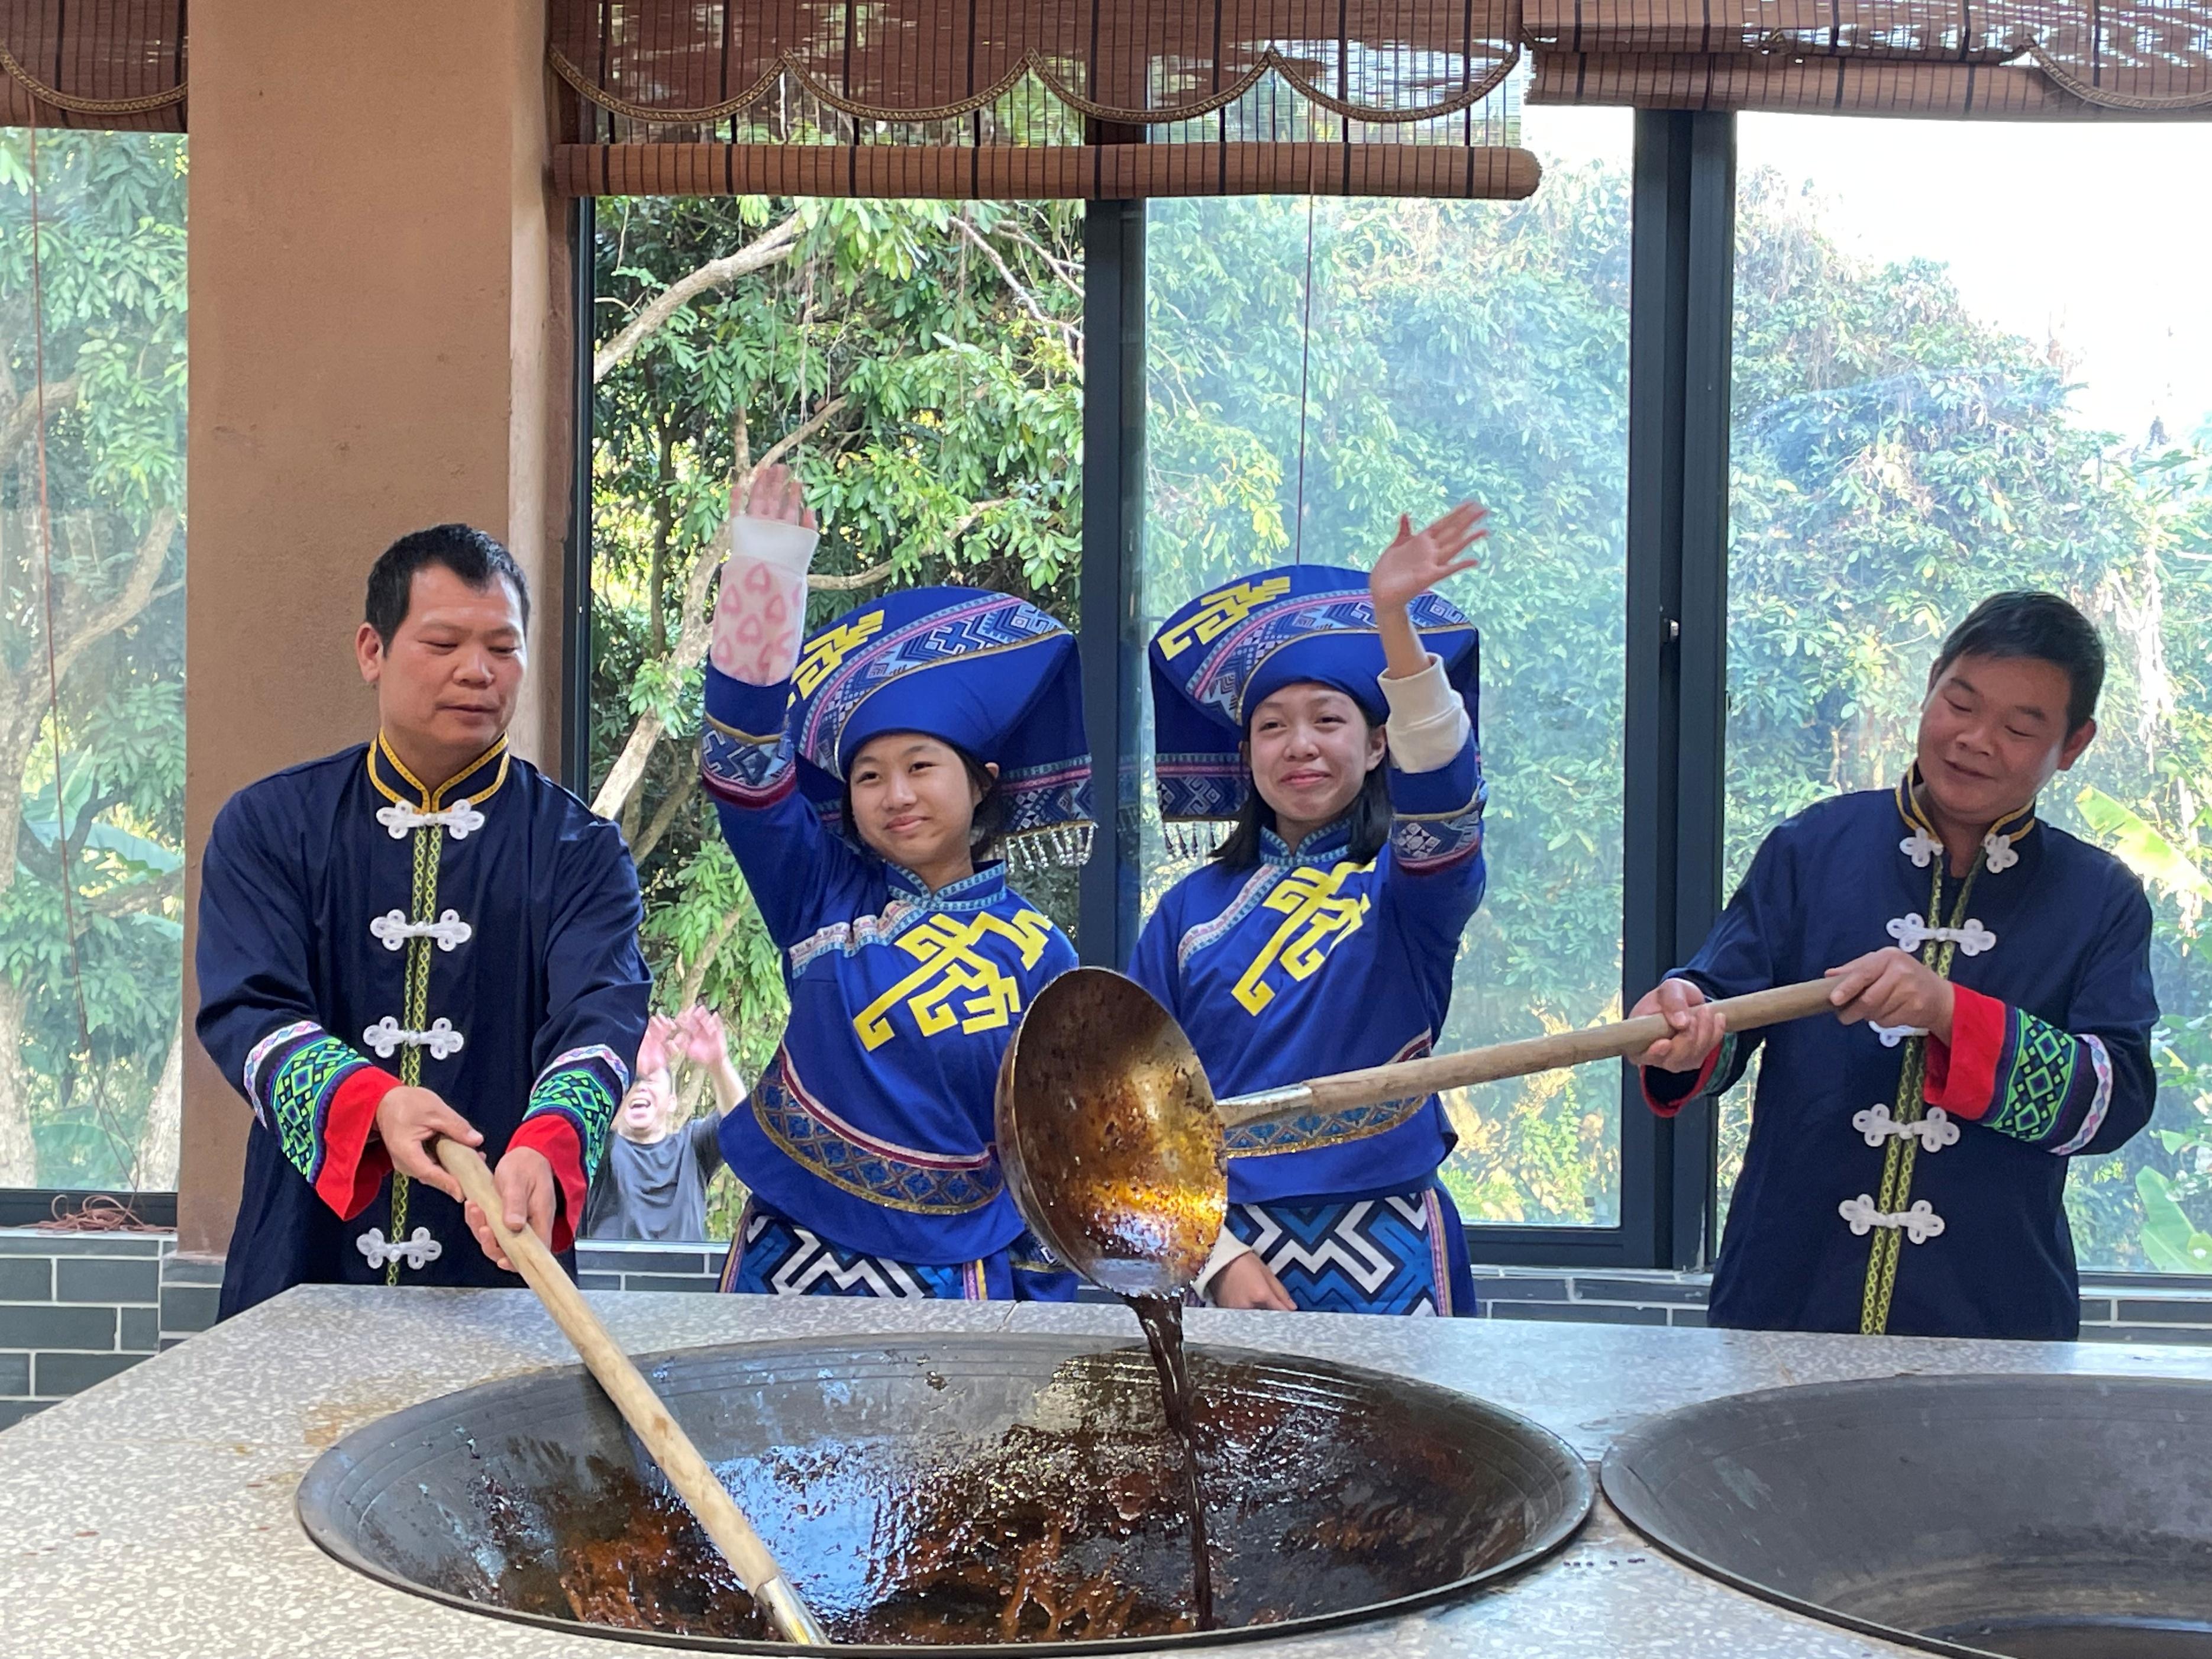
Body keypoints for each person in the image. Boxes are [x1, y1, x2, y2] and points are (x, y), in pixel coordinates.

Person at [1632, 591, 2156, 1341]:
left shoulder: (2099, 898)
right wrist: (1685, 1020)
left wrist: (1951, 1012)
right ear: (1932, 683)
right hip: (1787, 1295)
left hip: (1993, 1314)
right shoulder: (1811, 848)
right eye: (1960, 702)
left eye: (2017, 726)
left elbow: (2113, 1101)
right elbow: (1720, 1012)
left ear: (2072, 745)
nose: (1975, 739)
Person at [197, 525, 651, 1318]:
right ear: (373, 650)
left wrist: (549, 1142)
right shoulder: (269, 826)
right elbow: (249, 1011)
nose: (476, 672)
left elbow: (600, 1020)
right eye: (442, 642)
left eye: (502, 649)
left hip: (501, 1263)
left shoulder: (579, 850)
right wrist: (369, 1103)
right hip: (301, 1263)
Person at [699, 463, 1089, 1300]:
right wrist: (764, 572)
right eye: (868, 776)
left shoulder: (1040, 953)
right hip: (791, 1257)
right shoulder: (816, 891)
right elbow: (742, 774)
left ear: (981, 780)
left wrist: (1043, 1318)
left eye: (920, 767)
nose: (896, 795)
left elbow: (1055, 1153)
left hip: (957, 1275)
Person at [1132, 505, 1490, 1315]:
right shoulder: (1188, 911)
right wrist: (1217, 1258)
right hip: (1222, 1250)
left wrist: (1392, 622)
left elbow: (1442, 790)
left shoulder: (1408, 891)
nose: (1299, 745)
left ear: (1375, 748)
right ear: (1245, 757)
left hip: (1386, 1235)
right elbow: (1136, 1099)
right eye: (1271, 727)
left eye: (1328, 721)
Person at [582, 1009, 737, 1242]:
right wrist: (637, 1071)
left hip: (683, 1276)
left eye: (650, 1080)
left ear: (672, 1101)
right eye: (635, 1082)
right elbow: (591, 1117)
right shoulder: (604, 1147)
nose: (641, 1086)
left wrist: (719, 1065)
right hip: (610, 1276)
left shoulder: (693, 1147)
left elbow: (737, 1121)